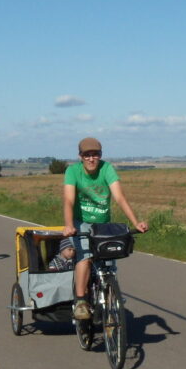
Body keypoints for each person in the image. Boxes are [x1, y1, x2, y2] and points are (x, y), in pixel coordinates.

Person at [62, 137, 148, 321]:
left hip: (103, 224)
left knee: (109, 260)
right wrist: (69, 225)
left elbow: (120, 198)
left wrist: (135, 223)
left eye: (96, 155)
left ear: (100, 156)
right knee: (85, 257)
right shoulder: (72, 171)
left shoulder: (107, 169)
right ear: (80, 156)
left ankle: (109, 298)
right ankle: (81, 302)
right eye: (87, 155)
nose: (92, 159)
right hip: (81, 223)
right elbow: (68, 200)